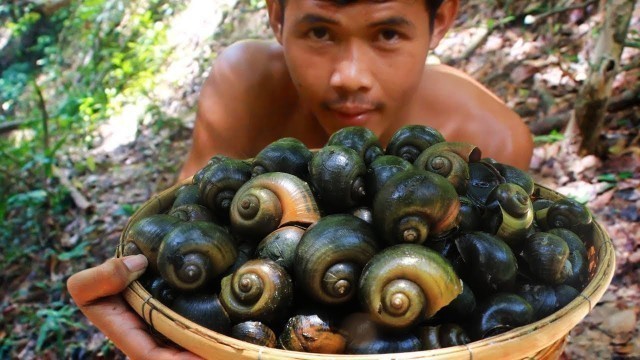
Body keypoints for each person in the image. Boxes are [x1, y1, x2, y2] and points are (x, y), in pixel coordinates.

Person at [67, 0, 534, 358]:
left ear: (443, 18)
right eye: (319, 31)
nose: (349, 76)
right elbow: (189, 221)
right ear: (276, 16)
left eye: (388, 33)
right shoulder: (244, 89)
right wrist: (152, 314)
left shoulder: (491, 137)